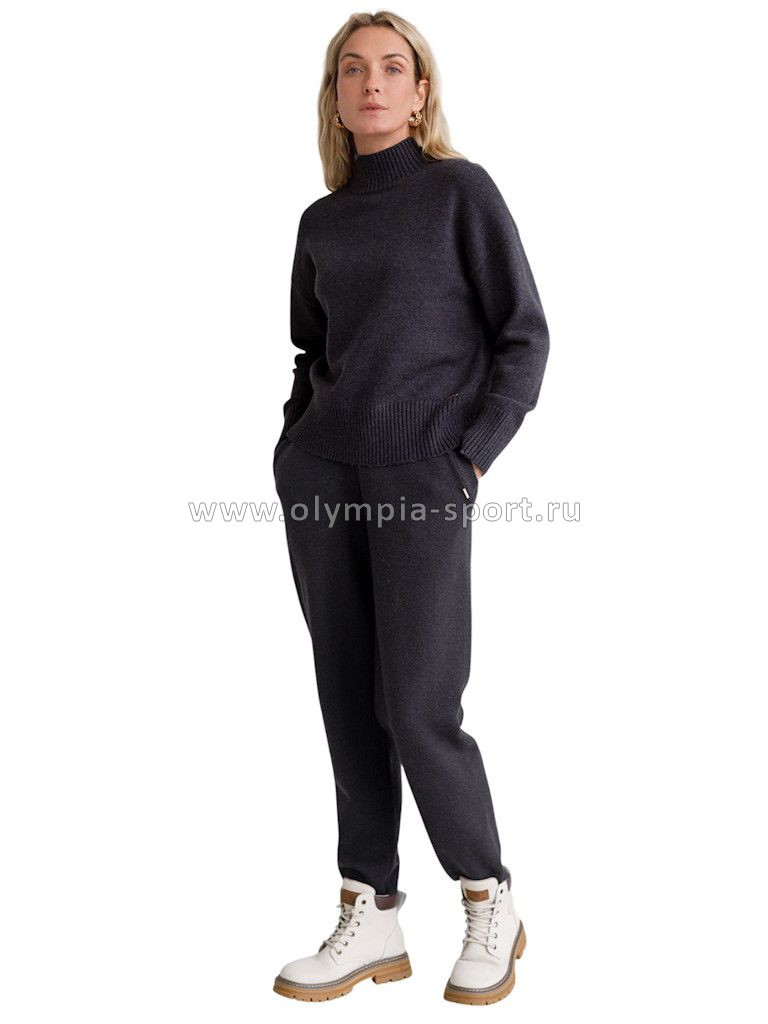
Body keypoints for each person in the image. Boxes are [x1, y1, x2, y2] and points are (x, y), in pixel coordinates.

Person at [271, 11, 549, 1005]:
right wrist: (294, 446)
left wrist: (469, 456)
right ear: (336, 95)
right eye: (354, 70)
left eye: (393, 68)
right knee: (348, 695)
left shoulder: (460, 193)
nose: (373, 84)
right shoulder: (323, 221)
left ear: (421, 91)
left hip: (424, 478)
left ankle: (487, 895)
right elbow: (312, 349)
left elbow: (523, 335)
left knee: (419, 704)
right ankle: (372, 908)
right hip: (323, 477)